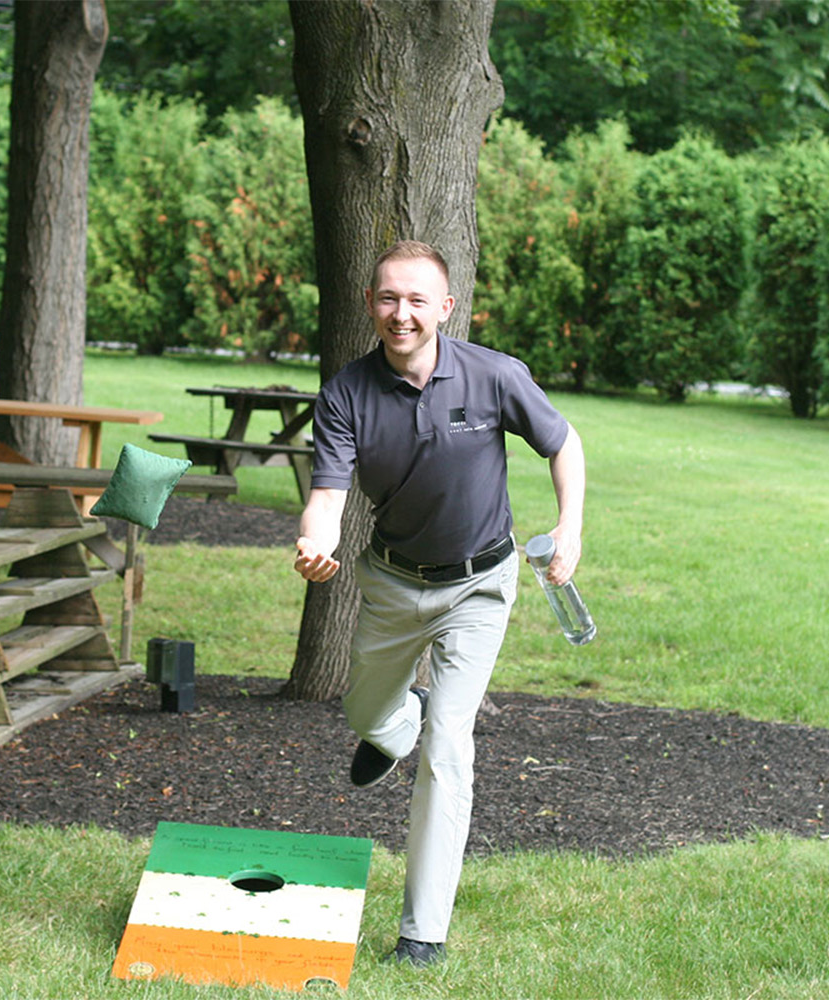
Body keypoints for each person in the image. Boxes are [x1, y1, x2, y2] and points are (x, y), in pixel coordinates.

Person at [293, 240, 586, 968]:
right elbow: (327, 497)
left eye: (418, 300)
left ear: (445, 308)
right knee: (365, 713)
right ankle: (397, 724)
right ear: (371, 304)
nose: (402, 313)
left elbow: (563, 442)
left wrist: (570, 526)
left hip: (480, 584)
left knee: (449, 753)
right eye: (389, 298)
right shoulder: (346, 393)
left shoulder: (493, 375)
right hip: (393, 583)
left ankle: (422, 934)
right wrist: (313, 542)